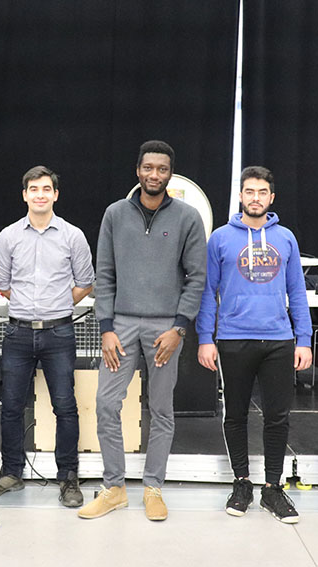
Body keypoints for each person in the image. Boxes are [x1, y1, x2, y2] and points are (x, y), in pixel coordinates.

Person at [79, 140, 206, 521]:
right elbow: (105, 274)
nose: (154, 174)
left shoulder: (187, 218)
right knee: (106, 404)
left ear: (171, 174)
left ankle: (153, 487)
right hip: (120, 326)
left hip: (165, 329)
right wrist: (106, 327)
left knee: (162, 409)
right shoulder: (115, 214)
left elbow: (197, 278)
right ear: (138, 171)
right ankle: (114, 488)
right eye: (148, 168)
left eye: (162, 169)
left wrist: (179, 328)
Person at [195, 166, 312, 524]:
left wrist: (304, 339)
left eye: (262, 192)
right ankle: (242, 483)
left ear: (271, 198)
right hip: (233, 339)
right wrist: (205, 337)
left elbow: (297, 291)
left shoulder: (286, 238)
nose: (255, 198)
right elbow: (207, 292)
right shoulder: (220, 239)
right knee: (235, 414)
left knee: (278, 416)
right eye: (249, 191)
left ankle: (273, 488)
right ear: (240, 196)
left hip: (279, 340)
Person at [0, 166, 94, 507]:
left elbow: (85, 282)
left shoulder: (73, 236)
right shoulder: (10, 236)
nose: (40, 194)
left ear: (55, 195)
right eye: (33, 189)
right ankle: (11, 472)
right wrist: (30, 306)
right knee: (12, 407)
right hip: (18, 332)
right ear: (24, 195)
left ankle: (68, 477)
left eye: (46, 189)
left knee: (65, 407)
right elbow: (3, 284)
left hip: (59, 332)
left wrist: (58, 305)